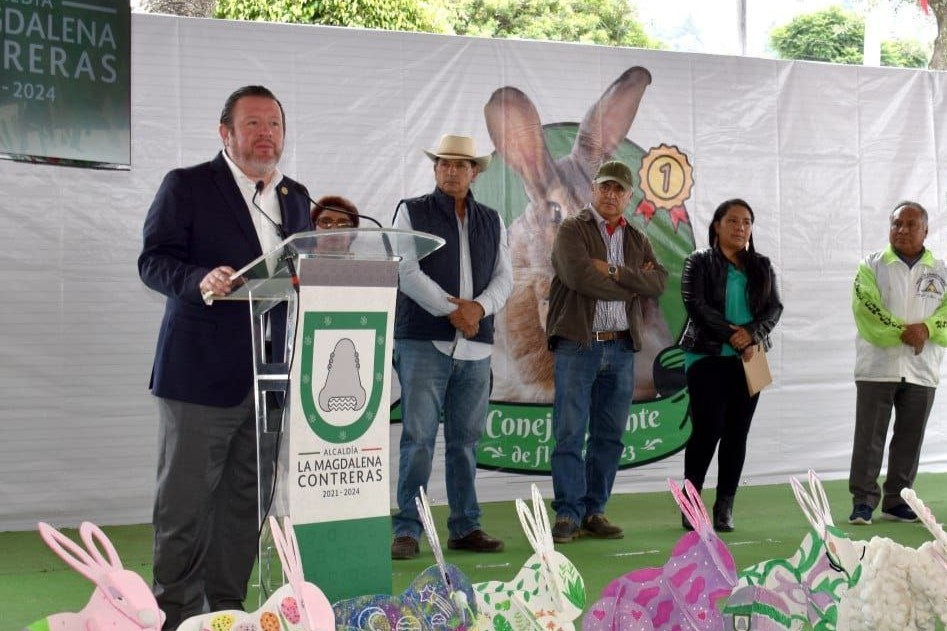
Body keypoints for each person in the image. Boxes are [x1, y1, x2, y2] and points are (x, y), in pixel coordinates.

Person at [138, 85, 312, 630]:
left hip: (268, 383)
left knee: (242, 510)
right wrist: (199, 279)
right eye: (254, 124)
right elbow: (154, 261)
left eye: (275, 125)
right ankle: (174, 617)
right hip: (199, 378)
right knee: (184, 509)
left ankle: (227, 614)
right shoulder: (187, 186)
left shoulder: (296, 197)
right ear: (226, 134)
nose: (267, 135)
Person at [390, 134, 513, 560]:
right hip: (423, 341)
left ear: (475, 171)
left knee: (465, 442)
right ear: (435, 168)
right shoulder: (412, 211)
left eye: (461, 165)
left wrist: (478, 309)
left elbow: (505, 278)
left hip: (476, 347)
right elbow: (405, 271)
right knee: (419, 439)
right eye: (445, 163)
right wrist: (451, 310)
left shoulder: (492, 220)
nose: (452, 171)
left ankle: (465, 526)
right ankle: (407, 528)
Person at [545, 160, 668, 544]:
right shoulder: (572, 229)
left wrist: (613, 272)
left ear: (629, 197)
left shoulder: (636, 237)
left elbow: (659, 281)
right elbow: (579, 277)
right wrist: (633, 283)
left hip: (620, 347)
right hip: (578, 345)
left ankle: (595, 509)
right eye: (605, 187)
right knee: (569, 432)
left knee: (609, 435)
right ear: (593, 189)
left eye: (619, 189)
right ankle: (568, 512)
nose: (611, 195)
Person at [679, 198, 782, 532]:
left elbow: (774, 309)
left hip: (752, 359)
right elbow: (696, 305)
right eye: (733, 221)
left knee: (737, 435)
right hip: (707, 356)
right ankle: (690, 505)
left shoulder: (762, 265)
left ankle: (725, 507)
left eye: (747, 222)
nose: (740, 227)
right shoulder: (698, 262)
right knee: (707, 431)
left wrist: (751, 335)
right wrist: (732, 335)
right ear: (717, 225)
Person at [848, 201, 947, 525]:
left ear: (925, 230)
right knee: (869, 437)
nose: (902, 230)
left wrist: (928, 329)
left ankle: (897, 500)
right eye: (896, 224)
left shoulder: (941, 271)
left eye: (910, 224)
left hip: (922, 370)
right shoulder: (871, 265)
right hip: (878, 366)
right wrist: (905, 332)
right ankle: (863, 501)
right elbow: (866, 309)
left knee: (910, 437)